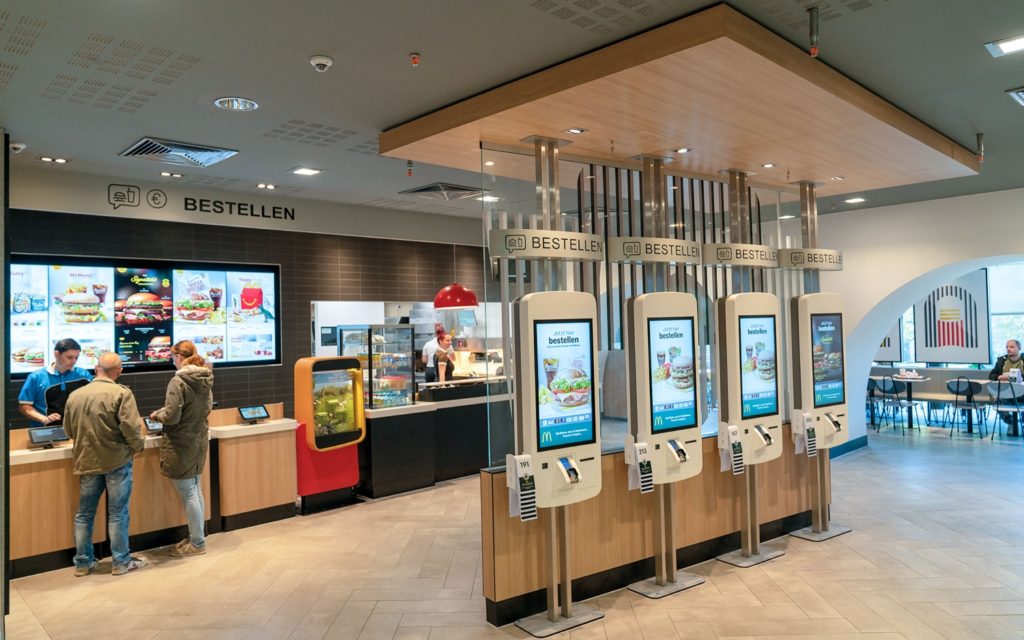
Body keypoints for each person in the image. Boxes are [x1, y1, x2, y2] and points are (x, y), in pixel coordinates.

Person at [63, 352, 146, 577]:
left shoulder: (75, 395)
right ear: (118, 371)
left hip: (87, 460)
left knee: (84, 513)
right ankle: (120, 562)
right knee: (118, 513)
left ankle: (82, 563)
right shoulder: (121, 393)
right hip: (117, 460)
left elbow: (68, 429)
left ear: (95, 368)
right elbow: (131, 428)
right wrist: (138, 446)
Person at [150, 340, 213, 557]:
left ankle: (197, 543)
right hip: (198, 439)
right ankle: (197, 537)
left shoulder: (178, 381)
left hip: (181, 443)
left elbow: (173, 416)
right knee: (195, 489)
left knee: (188, 493)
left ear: (179, 357)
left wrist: (158, 415)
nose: (172, 362)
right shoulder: (205, 378)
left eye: (172, 358)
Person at [18, 338, 93, 426]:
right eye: (69, 357)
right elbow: (24, 406)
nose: (74, 361)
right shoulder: (36, 377)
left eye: (76, 357)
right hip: (44, 430)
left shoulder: (84, 375)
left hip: (76, 428)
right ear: (56, 354)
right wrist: (44, 419)